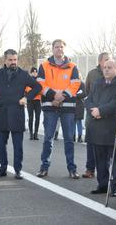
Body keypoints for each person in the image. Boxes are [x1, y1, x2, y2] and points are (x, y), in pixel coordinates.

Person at [0, 49, 41, 180]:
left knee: (18, 146)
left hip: (17, 113)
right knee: (1, 144)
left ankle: (18, 170)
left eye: (15, 60)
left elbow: (37, 87)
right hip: (2, 112)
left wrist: (27, 98)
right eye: (10, 60)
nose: (13, 62)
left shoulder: (23, 74)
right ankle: (2, 169)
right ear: (5, 60)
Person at [36, 39, 81, 179]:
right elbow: (40, 84)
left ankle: (72, 169)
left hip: (67, 107)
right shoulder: (43, 66)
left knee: (69, 139)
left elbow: (75, 84)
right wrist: (53, 96)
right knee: (48, 138)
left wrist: (62, 97)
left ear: (64, 49)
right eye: (56, 47)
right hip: (50, 106)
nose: (59, 49)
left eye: (61, 47)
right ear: (52, 49)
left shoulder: (73, 66)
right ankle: (44, 167)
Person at [85, 59, 116, 195]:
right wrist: (93, 111)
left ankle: (114, 187)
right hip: (96, 126)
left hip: (112, 127)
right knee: (100, 160)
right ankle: (102, 185)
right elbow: (89, 99)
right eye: (104, 67)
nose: (106, 70)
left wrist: (101, 111)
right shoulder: (97, 83)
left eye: (110, 67)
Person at [82, 52, 111, 178]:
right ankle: (90, 169)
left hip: (107, 115)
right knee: (91, 142)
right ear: (100, 61)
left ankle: (107, 173)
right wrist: (94, 110)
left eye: (110, 60)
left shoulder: (115, 73)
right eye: (106, 60)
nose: (109, 62)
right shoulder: (92, 74)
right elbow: (87, 93)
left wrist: (103, 111)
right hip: (92, 114)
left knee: (107, 145)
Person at [26, 67, 42, 140]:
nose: (35, 73)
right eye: (33, 72)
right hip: (30, 101)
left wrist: (34, 91)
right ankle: (31, 133)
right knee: (31, 117)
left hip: (38, 101)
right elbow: (27, 90)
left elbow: (41, 90)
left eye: (36, 72)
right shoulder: (28, 80)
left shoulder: (39, 80)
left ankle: (36, 133)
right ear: (31, 72)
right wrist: (35, 91)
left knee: (38, 118)